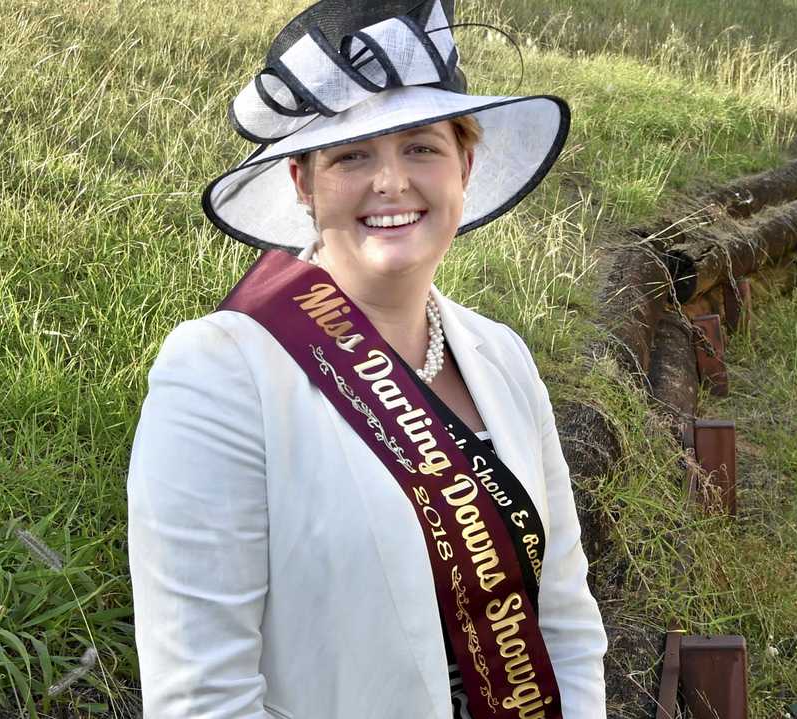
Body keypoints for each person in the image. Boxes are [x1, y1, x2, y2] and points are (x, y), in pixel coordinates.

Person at [125, 1, 608, 717]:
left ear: (464, 165)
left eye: (421, 146)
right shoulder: (220, 372)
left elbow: (564, 619)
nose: (390, 182)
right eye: (352, 154)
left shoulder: (502, 357)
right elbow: (204, 699)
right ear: (302, 182)